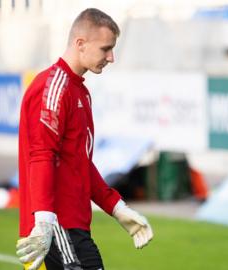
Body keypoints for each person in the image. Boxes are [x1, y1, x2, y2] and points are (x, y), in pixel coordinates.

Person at [15, 8, 154, 270]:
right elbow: (42, 155)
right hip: (57, 227)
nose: (111, 57)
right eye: (106, 48)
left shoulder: (79, 91)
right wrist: (44, 222)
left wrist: (117, 208)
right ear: (80, 44)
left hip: (73, 226)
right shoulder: (53, 87)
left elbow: (80, 163)